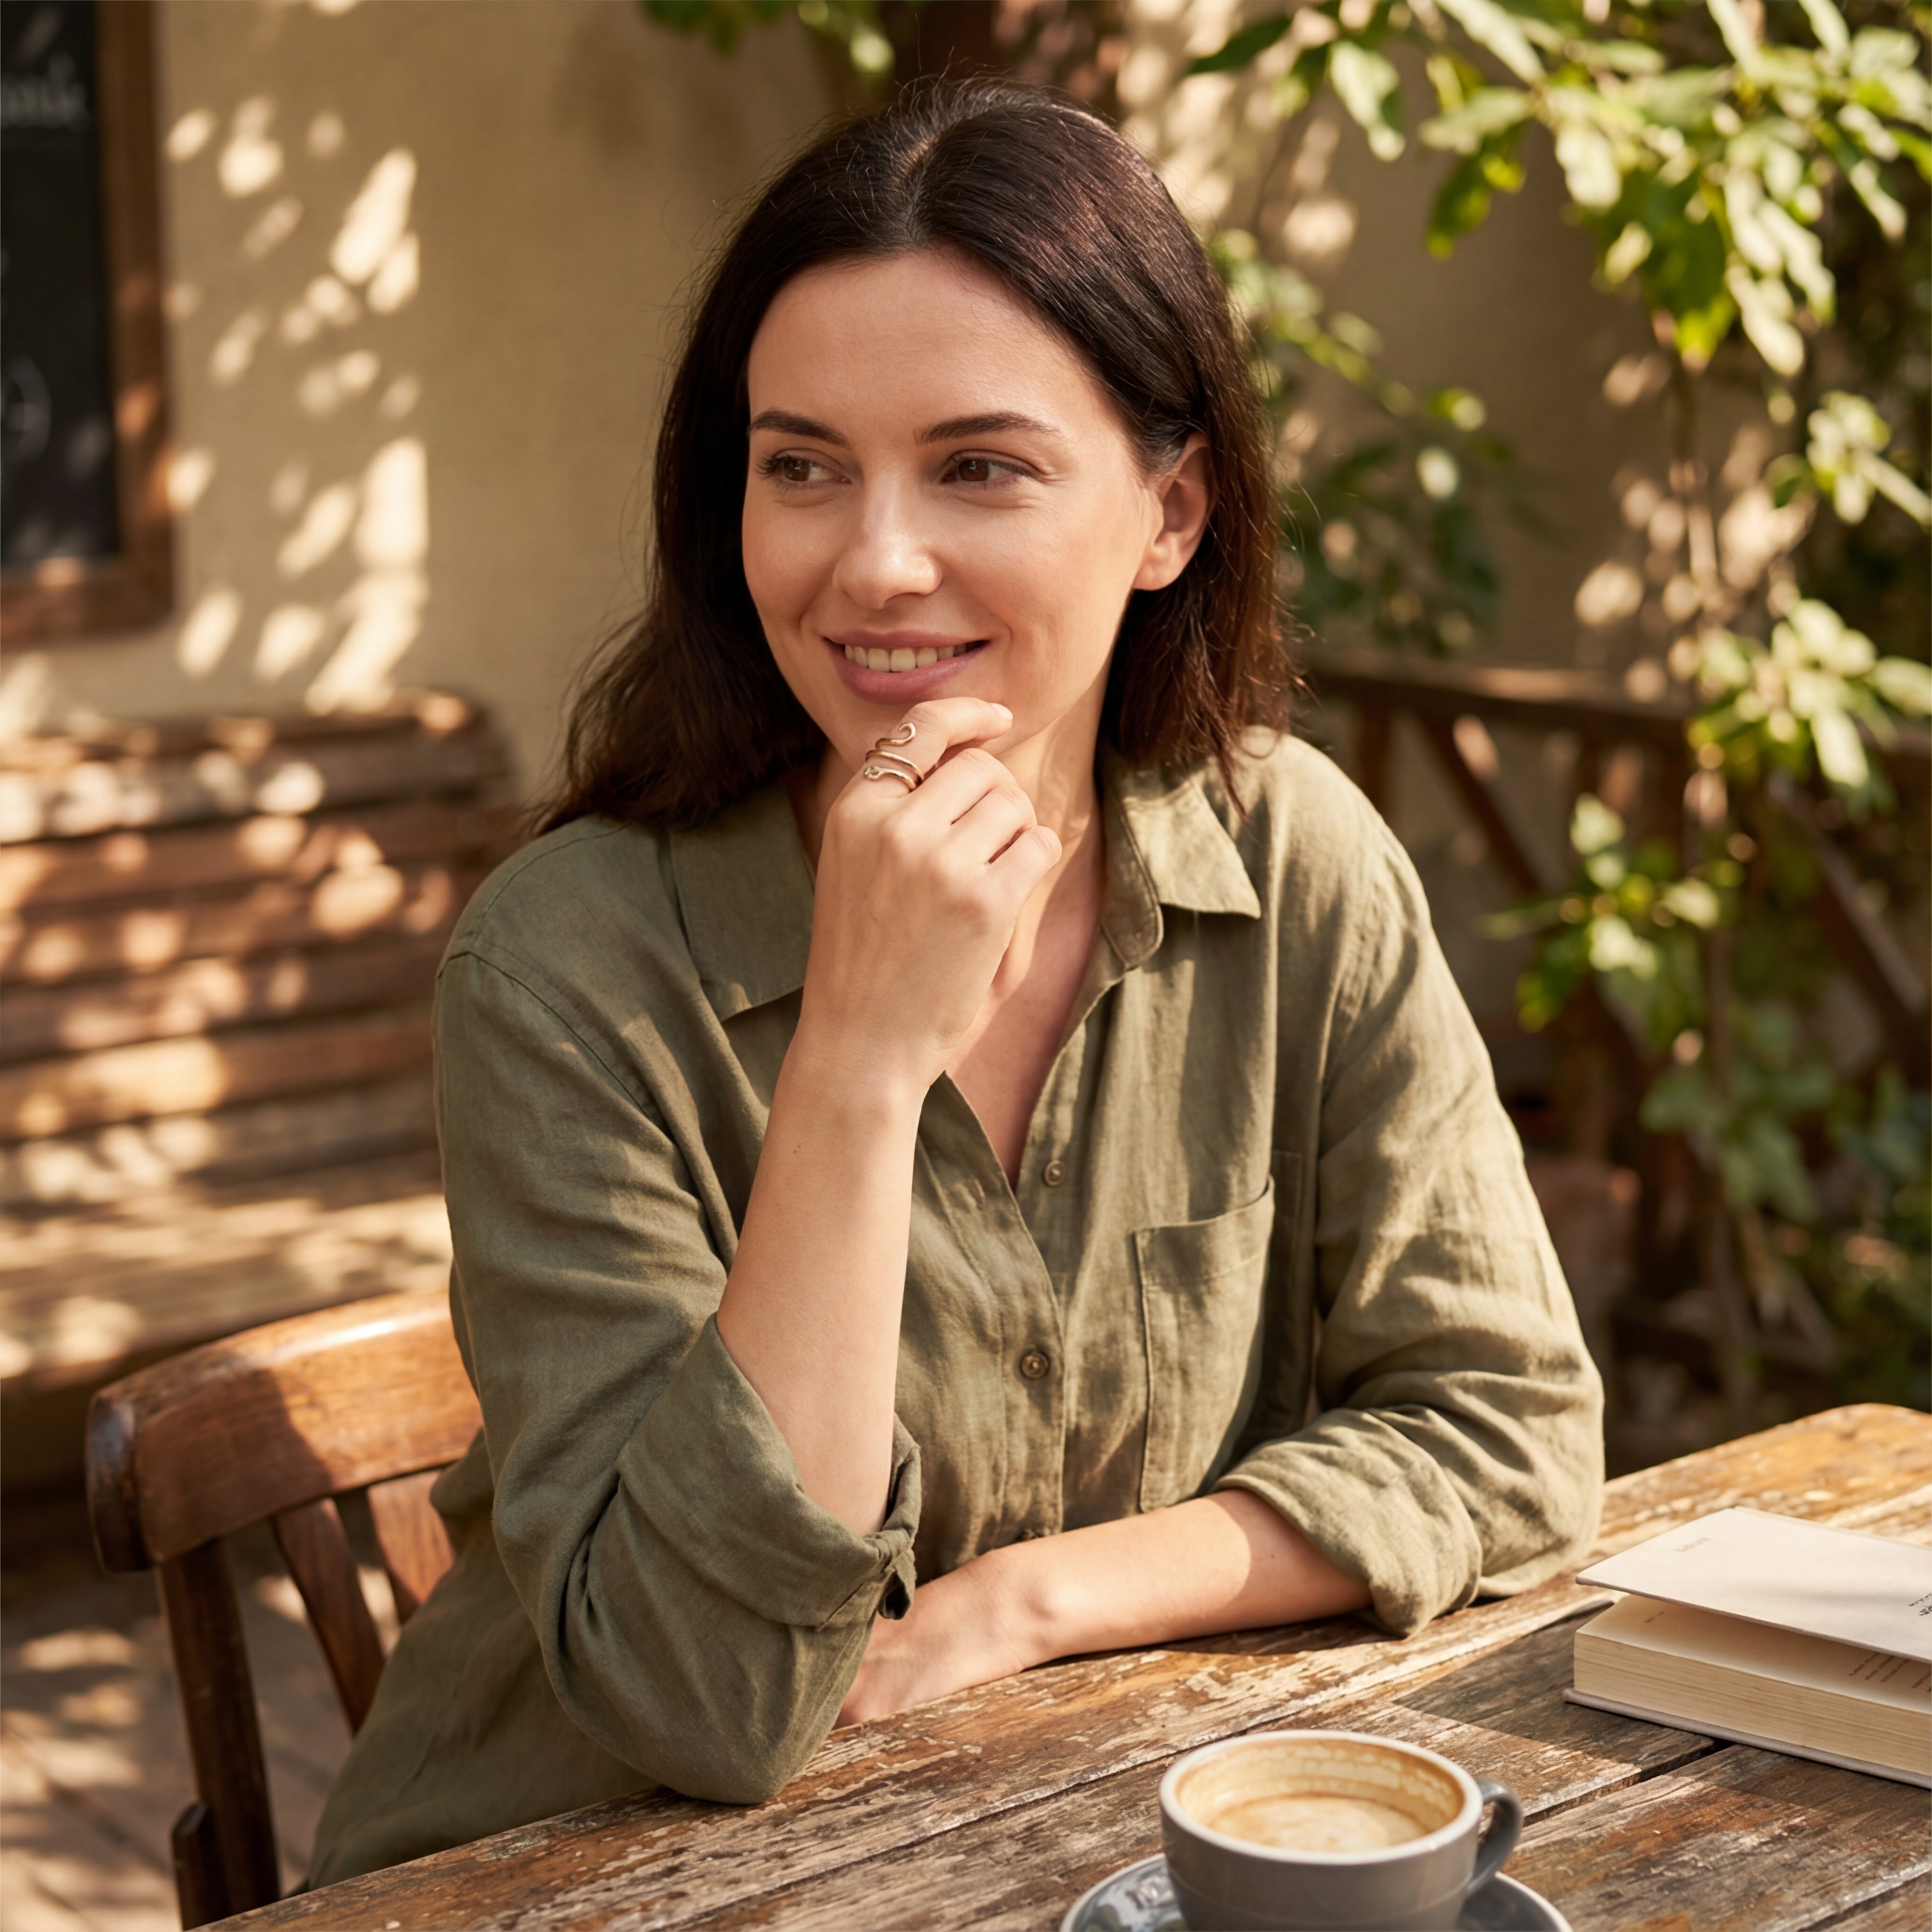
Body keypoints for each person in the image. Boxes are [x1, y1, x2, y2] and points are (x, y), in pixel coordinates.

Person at [307, 80, 1602, 1884]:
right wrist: (855, 1058)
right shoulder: (564, 967)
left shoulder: (1296, 861)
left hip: (1034, 1837)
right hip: (551, 1880)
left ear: (1169, 513)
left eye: (978, 467)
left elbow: (1507, 1429)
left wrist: (1025, 1603)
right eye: (802, 466)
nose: (875, 563)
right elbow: (705, 1697)